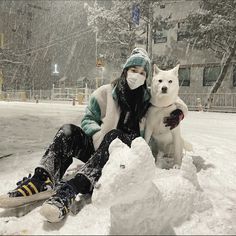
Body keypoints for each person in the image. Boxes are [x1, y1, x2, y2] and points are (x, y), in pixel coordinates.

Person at [0, 48, 185, 222]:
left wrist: (180, 113)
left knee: (115, 135)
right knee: (68, 132)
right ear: (125, 70)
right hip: (98, 148)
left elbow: (173, 98)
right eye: (133, 70)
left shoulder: (147, 99)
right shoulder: (105, 93)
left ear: (146, 78)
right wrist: (98, 136)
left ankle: (72, 189)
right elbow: (88, 119)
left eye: (143, 73)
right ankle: (42, 179)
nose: (137, 75)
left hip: (121, 159)